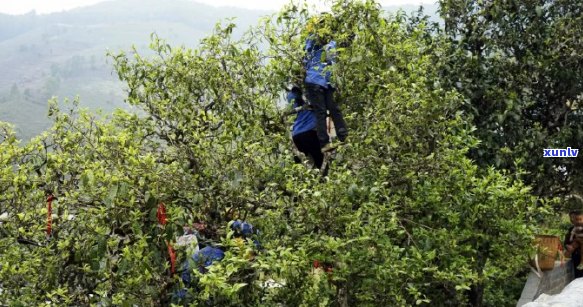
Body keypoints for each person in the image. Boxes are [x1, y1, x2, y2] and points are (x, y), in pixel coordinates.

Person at [303, 13, 348, 153]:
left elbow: (344, 45)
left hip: (327, 81)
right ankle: (324, 143)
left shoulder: (333, 42)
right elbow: (311, 48)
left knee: (333, 107)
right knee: (321, 111)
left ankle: (343, 135)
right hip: (314, 79)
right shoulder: (314, 38)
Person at [286, 86, 324, 169]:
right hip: (308, 133)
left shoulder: (292, 102)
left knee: (299, 164)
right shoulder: (308, 102)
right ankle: (324, 178)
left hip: (296, 135)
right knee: (320, 160)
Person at [564, 210, 583, 277]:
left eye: (580, 219)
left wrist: (578, 242)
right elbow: (566, 242)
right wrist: (568, 246)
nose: (572, 220)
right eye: (571, 218)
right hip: (576, 258)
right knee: (578, 278)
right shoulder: (571, 229)